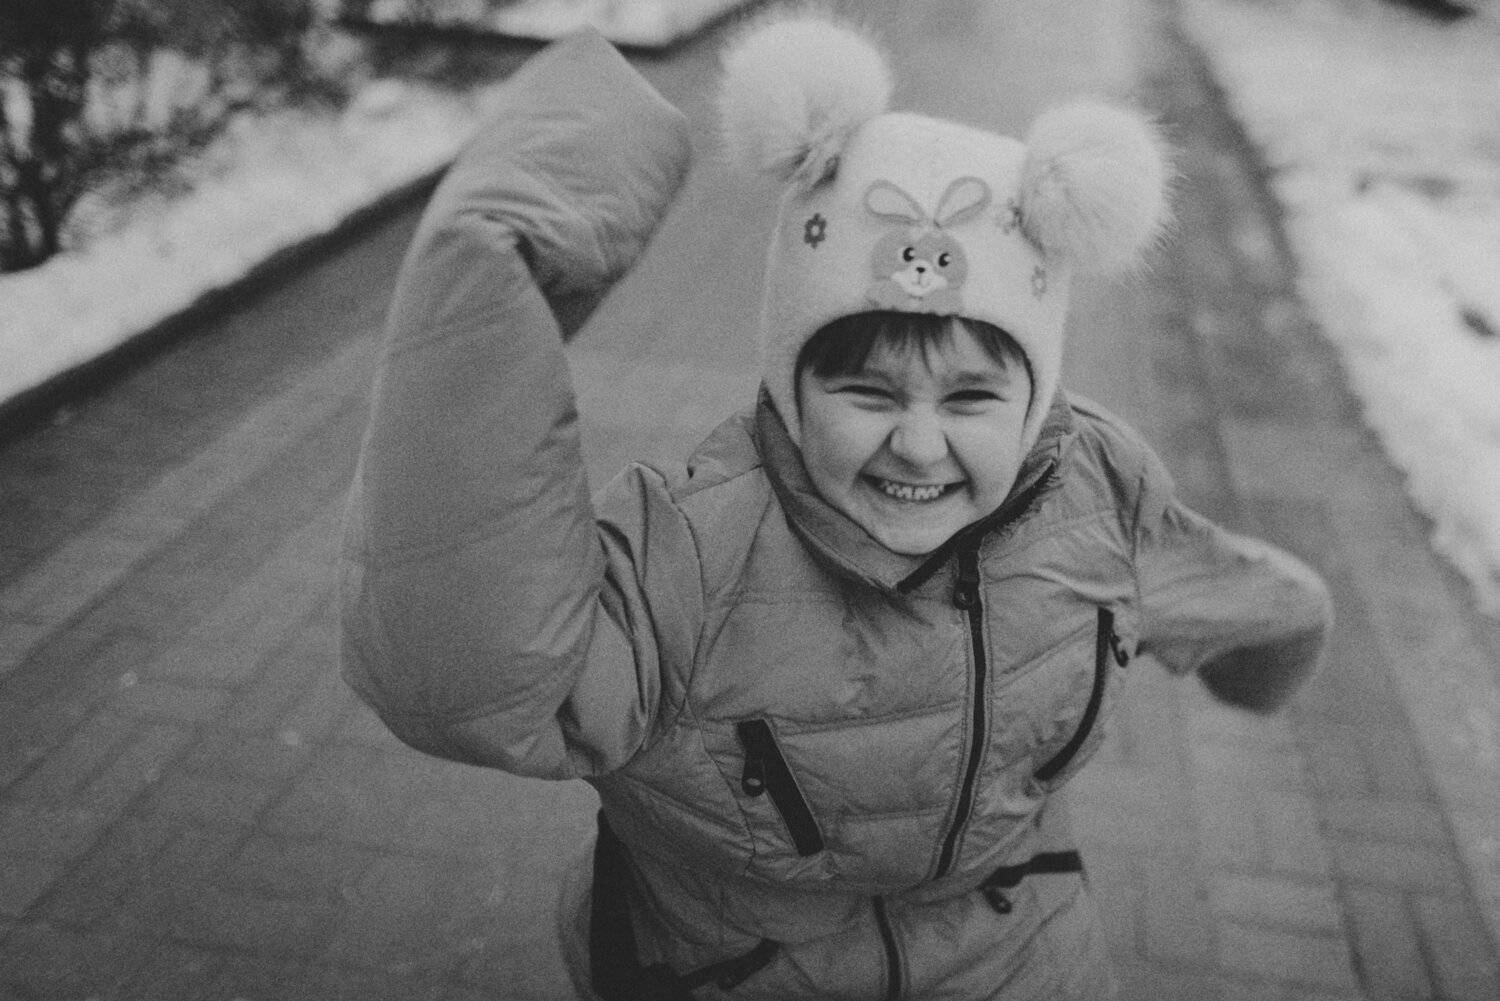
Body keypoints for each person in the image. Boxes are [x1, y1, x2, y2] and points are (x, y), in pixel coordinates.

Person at [339, 12, 1333, 1001]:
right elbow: (472, 681)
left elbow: (1229, 588)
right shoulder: (689, 557)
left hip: (1016, 950)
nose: (919, 443)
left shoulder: (1095, 488)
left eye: (972, 399)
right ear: (791, 385)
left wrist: (1273, 651)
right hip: (739, 963)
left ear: (1035, 402)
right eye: (867, 391)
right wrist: (484, 285)